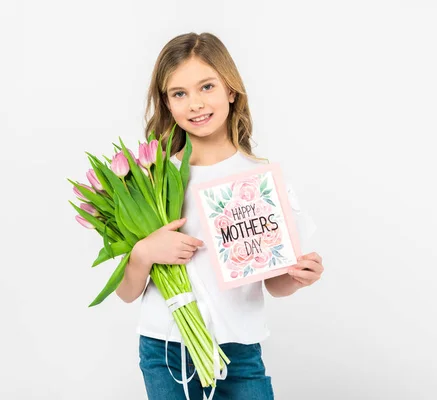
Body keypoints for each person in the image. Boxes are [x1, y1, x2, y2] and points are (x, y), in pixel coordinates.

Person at [115, 32, 324, 400]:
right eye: (179, 93)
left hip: (239, 351)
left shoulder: (260, 179)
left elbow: (275, 284)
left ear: (231, 89)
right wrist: (146, 251)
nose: (195, 104)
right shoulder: (152, 177)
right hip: (167, 350)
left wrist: (298, 277)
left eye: (207, 86)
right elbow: (126, 292)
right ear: (167, 102)